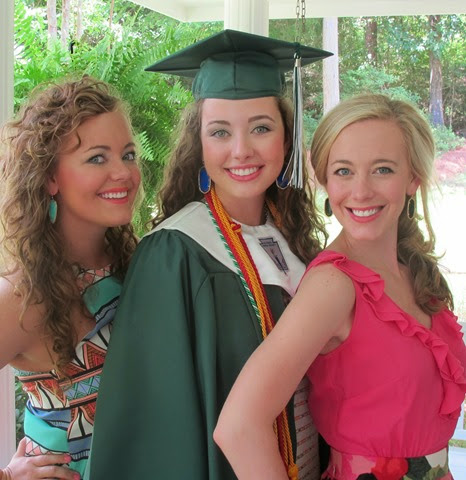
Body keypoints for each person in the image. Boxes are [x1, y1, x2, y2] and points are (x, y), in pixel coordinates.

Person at [87, 29, 332, 480]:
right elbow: (156, 428)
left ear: (287, 137)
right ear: (199, 144)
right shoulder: (173, 255)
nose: (241, 150)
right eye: (220, 132)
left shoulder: (293, 237)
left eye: (261, 127)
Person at [214, 93, 466, 479]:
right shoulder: (333, 285)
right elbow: (238, 427)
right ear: (327, 182)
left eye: (382, 170)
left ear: (413, 178)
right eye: (344, 171)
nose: (360, 191)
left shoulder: (415, 274)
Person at [0, 76, 141, 480]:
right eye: (97, 158)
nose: (123, 172)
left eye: (128, 155)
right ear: (49, 177)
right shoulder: (22, 296)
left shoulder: (136, 263)